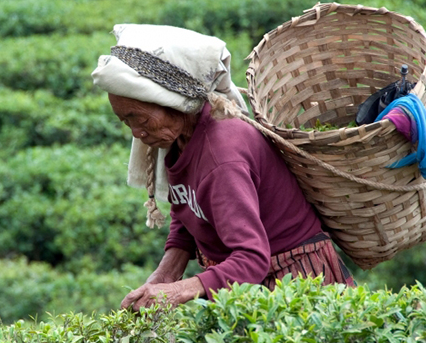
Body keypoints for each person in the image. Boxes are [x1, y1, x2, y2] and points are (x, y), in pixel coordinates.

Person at [91, 24, 355, 311]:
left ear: (171, 102)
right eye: (126, 121)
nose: (135, 133)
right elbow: (189, 212)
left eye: (139, 118)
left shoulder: (222, 157)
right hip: (242, 282)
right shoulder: (179, 139)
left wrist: (183, 289)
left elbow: (252, 259)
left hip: (293, 281)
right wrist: (163, 278)